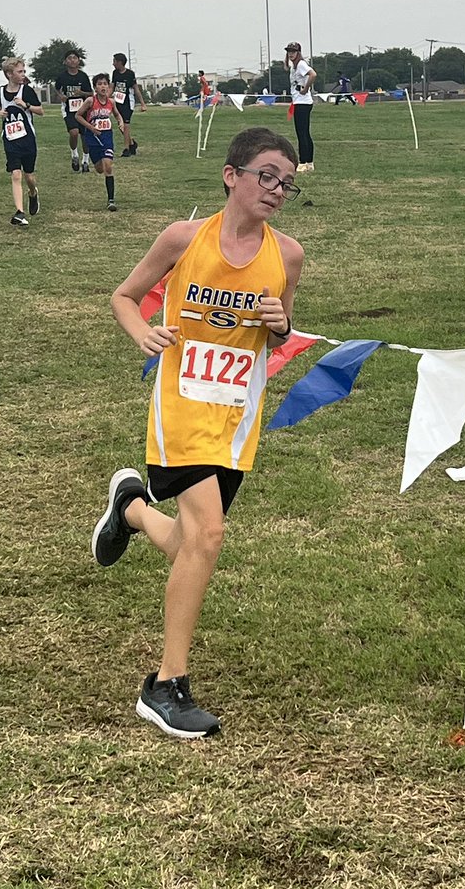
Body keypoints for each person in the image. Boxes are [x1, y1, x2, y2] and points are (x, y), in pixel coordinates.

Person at [91, 126, 305, 738]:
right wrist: (143, 332)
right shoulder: (183, 239)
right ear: (231, 176)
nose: (276, 190)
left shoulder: (287, 255)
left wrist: (280, 324)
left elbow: (282, 333)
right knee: (208, 534)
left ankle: (131, 510)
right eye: (267, 176)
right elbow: (125, 296)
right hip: (182, 403)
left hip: (237, 412)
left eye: (286, 183)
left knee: (192, 540)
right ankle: (165, 685)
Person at [0, 57, 43, 227]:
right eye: (20, 71)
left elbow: (41, 111)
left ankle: (32, 192)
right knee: (16, 174)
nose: (23, 74)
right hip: (10, 140)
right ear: (9, 74)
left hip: (27, 140)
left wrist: (25, 105)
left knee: (29, 176)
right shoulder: (0, 91)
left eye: (24, 71)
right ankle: (20, 212)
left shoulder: (26, 91)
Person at [75, 73, 126, 211]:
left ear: (109, 86)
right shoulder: (90, 101)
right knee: (99, 169)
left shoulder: (111, 102)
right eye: (99, 84)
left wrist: (120, 123)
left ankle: (111, 200)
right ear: (95, 87)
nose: (103, 87)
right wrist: (90, 127)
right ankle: (97, 163)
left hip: (106, 137)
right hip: (92, 138)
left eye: (105, 84)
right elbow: (78, 116)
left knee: (108, 166)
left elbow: (117, 114)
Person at [54, 51, 93, 173]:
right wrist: (61, 96)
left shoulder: (83, 76)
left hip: (83, 109)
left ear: (79, 60)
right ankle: (74, 154)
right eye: (69, 58)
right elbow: (57, 88)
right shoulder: (62, 77)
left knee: (85, 136)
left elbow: (91, 93)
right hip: (69, 109)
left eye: (74, 58)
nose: (72, 60)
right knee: (74, 132)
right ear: (65, 61)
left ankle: (85, 161)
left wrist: (82, 93)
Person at [285, 42, 316, 172]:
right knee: (305, 133)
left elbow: (313, 74)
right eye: (289, 51)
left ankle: (303, 162)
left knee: (301, 133)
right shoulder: (294, 67)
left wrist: (306, 88)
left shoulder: (301, 64)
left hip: (302, 102)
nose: (291, 54)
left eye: (293, 51)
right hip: (299, 101)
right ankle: (309, 162)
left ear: (298, 52)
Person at [111, 52, 147, 157]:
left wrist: (142, 104)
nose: (113, 64)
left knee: (126, 125)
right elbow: (112, 87)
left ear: (120, 62)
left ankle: (126, 149)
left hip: (128, 102)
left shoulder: (130, 74)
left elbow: (136, 89)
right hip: (118, 102)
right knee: (121, 125)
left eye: (114, 61)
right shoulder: (115, 73)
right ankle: (132, 144)